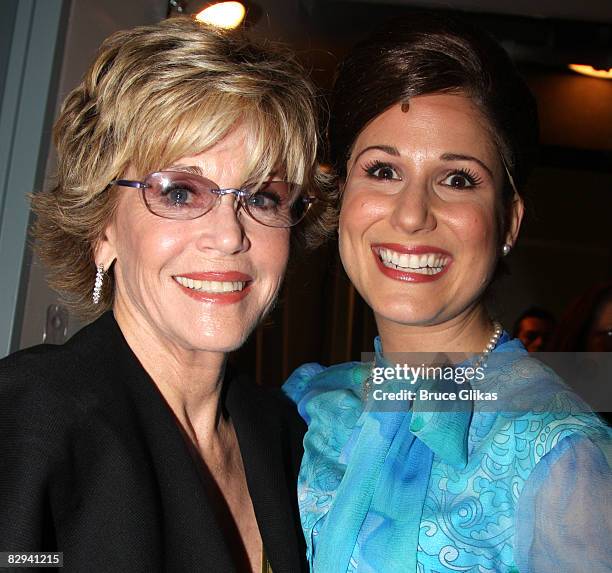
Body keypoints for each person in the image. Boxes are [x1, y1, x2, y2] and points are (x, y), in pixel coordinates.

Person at [284, 13, 612, 573]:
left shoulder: (560, 456)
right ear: (342, 199)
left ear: (508, 222)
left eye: (457, 179)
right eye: (383, 170)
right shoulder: (316, 410)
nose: (412, 215)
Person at [0, 17, 325, 572]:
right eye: (179, 192)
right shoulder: (28, 421)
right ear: (101, 228)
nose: (229, 235)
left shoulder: (287, 435)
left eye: (263, 196)